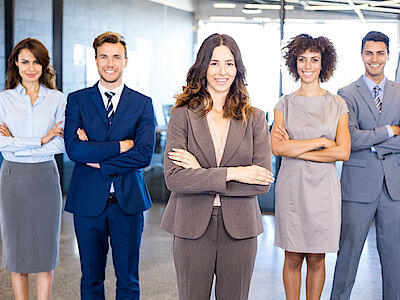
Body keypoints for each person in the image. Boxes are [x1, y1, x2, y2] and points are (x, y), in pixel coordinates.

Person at [160, 33, 274, 300]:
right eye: (214, 63)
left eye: (229, 63)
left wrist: (199, 171)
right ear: (203, 67)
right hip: (191, 225)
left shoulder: (255, 118)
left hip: (241, 229)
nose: (222, 71)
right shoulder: (182, 115)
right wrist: (236, 173)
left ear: (238, 69)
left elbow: (261, 181)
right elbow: (174, 179)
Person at [64, 31, 155, 300]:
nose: (110, 63)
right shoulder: (77, 100)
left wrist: (98, 161)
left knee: (128, 279)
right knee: (91, 278)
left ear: (126, 61)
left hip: (128, 202)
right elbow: (74, 150)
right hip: (87, 202)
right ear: (95, 60)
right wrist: (119, 146)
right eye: (104, 57)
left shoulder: (141, 103)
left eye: (116, 57)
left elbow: (143, 156)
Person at [271, 34, 350, 300]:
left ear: (323, 64)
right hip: (292, 189)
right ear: (294, 63)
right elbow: (278, 148)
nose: (308, 65)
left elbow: (343, 152)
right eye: (302, 59)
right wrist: (320, 143)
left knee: (317, 258)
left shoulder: (337, 104)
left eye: (314, 60)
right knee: (292, 256)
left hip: (323, 191)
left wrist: (297, 148)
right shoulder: (284, 104)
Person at [330, 31, 400, 300]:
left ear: (387, 56)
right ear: (362, 55)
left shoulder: (398, 91)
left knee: (394, 259)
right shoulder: (346, 94)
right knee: (347, 255)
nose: (374, 59)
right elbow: (351, 139)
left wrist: (372, 139)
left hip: (393, 188)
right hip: (357, 189)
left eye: (380, 53)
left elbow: (363, 138)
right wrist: (391, 131)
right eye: (369, 53)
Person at [0, 38, 65, 300]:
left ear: (44, 65)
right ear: (16, 63)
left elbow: (60, 144)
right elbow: (2, 145)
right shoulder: (4, 100)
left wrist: (18, 143)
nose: (31, 68)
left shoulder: (57, 99)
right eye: (25, 61)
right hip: (13, 178)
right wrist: (40, 139)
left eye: (36, 62)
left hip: (45, 178)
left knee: (45, 252)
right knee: (17, 252)